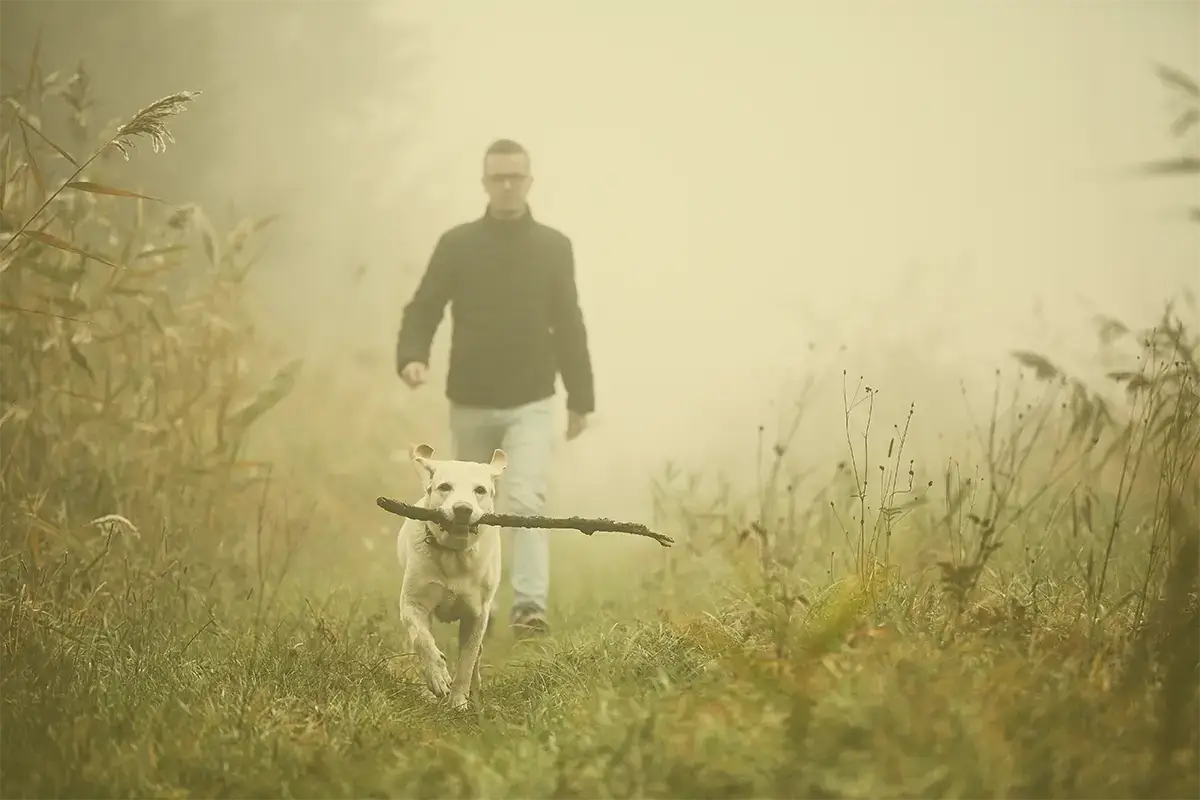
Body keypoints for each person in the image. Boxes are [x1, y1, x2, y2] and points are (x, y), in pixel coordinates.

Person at [394, 138, 595, 638]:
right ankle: (463, 596)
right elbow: (424, 305)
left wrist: (581, 398)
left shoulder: (553, 246)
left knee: (525, 499)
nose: (507, 185)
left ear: (529, 182)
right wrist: (413, 355)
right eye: (497, 177)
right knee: (464, 505)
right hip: (470, 398)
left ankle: (528, 607)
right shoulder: (458, 244)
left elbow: (569, 322)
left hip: (532, 398)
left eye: (516, 177)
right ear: (485, 183)